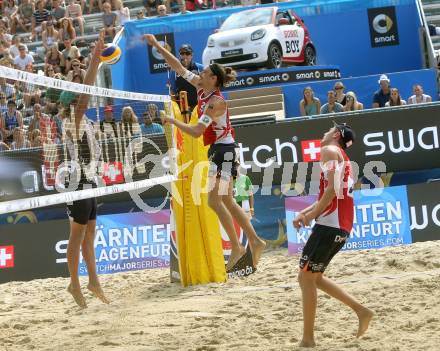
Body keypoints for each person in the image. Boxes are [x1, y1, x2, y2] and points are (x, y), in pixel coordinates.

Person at [144, 33, 266, 270]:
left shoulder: (216, 102)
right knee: (226, 201)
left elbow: (197, 131)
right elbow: (178, 67)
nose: (200, 74)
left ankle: (239, 246)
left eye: (205, 73)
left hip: (225, 152)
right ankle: (255, 240)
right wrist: (157, 45)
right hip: (218, 152)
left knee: (215, 201)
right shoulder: (201, 88)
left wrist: (172, 120)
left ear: (214, 80)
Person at [293, 122, 374, 348]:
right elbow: (330, 192)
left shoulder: (328, 150)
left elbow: (331, 190)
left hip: (330, 224)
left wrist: (311, 216)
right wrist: (306, 211)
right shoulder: (343, 157)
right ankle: (361, 311)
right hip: (340, 223)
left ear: (337, 134)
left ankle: (308, 339)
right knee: (314, 277)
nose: (325, 132)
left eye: (330, 129)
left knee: (306, 278)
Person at [63, 30, 109, 309]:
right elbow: (87, 91)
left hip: (89, 179)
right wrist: (94, 61)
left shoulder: (85, 120)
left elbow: (87, 92)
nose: (83, 91)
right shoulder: (73, 117)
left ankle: (93, 280)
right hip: (77, 182)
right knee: (77, 235)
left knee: (89, 233)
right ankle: (74, 284)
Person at [170, 44, 203, 112]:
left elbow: (206, 86)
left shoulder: (200, 68)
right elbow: (172, 91)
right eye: (182, 53)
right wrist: (175, 109)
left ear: (191, 55)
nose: (184, 55)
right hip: (182, 107)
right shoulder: (174, 70)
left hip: (198, 104)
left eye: (187, 53)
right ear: (180, 55)